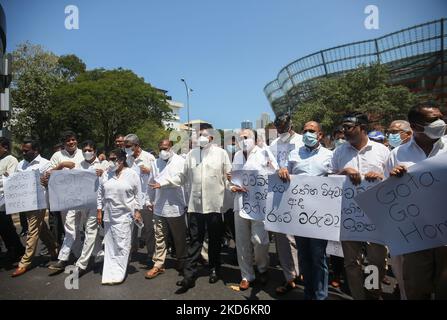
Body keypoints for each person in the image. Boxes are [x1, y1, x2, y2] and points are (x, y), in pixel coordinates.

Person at [151, 124, 231, 294]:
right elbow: (182, 177)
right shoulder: (191, 155)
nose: (199, 137)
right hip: (195, 206)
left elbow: (228, 177)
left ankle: (215, 268)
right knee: (195, 241)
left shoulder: (222, 154)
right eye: (198, 134)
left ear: (211, 137)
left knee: (215, 241)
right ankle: (190, 275)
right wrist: (163, 183)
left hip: (215, 206)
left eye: (203, 134)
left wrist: (234, 187)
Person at [386, 103, 447, 299]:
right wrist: (392, 179)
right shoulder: (397, 154)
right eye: (432, 120)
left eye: (440, 117)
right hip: (415, 235)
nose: (440, 122)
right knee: (416, 289)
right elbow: (385, 192)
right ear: (415, 126)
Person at [331, 112, 390, 300]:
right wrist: (343, 171)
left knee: (376, 262)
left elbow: (394, 182)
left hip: (376, 216)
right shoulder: (339, 152)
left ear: (362, 128)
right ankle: (358, 297)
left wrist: (380, 178)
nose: (344, 131)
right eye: (343, 127)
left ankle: (372, 293)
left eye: (348, 127)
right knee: (351, 262)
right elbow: (329, 181)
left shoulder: (382, 151)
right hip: (349, 216)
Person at [278, 121, 332, 299]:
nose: (308, 133)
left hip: (319, 215)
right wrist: (283, 170)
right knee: (303, 256)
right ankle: (308, 294)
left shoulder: (329, 155)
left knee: (318, 257)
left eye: (312, 131)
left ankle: (320, 295)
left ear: (320, 135)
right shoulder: (294, 154)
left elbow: (335, 181)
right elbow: (286, 177)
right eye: (305, 130)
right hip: (299, 215)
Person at [231, 129, 278, 290]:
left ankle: (262, 268)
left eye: (246, 137)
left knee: (260, 240)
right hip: (240, 203)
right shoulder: (237, 155)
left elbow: (275, 173)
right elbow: (233, 177)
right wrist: (232, 185)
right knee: (242, 241)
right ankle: (246, 275)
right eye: (240, 138)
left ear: (255, 139)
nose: (243, 140)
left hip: (259, 204)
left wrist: (273, 168)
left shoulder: (264, 152)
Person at [11, 138, 58, 277]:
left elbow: (52, 181)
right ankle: (54, 249)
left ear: (35, 150)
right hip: (25, 203)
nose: (23, 152)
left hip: (39, 202)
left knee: (32, 231)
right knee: (40, 227)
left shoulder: (45, 164)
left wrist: (46, 180)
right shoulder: (20, 165)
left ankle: (24, 262)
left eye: (26, 150)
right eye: (22, 150)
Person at [97, 149, 142, 285]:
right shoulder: (106, 174)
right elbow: (100, 194)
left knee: (122, 244)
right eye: (109, 159)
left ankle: (119, 274)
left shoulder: (132, 174)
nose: (110, 162)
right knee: (111, 246)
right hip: (109, 216)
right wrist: (99, 210)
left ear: (121, 160)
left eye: (113, 159)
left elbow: (138, 194)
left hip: (125, 216)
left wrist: (138, 211)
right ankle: (109, 273)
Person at [269, 114, 303, 292]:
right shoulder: (273, 145)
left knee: (302, 237)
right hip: (279, 195)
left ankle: (301, 270)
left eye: (283, 127)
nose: (280, 130)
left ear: (291, 125)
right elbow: (267, 164)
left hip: (301, 195)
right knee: (283, 238)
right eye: (278, 128)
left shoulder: (302, 141)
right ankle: (289, 276)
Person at [145, 139, 187, 279]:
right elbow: (151, 182)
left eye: (166, 148)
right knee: (160, 236)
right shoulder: (155, 163)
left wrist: (162, 184)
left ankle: (182, 261)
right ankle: (158, 264)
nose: (163, 151)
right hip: (159, 206)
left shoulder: (180, 161)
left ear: (171, 148)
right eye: (161, 148)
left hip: (175, 206)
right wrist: (148, 200)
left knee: (179, 237)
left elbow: (180, 180)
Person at [47, 131, 85, 271]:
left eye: (73, 139)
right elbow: (47, 175)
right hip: (64, 198)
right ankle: (77, 255)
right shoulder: (57, 156)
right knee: (70, 227)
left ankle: (65, 258)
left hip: (83, 196)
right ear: (64, 143)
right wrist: (61, 165)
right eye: (68, 141)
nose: (71, 142)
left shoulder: (84, 153)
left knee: (77, 227)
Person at [72, 140, 108, 276]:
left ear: (95, 151)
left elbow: (111, 181)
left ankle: (81, 264)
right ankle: (99, 256)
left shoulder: (103, 165)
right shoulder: (78, 165)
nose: (87, 152)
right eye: (85, 150)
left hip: (96, 204)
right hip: (82, 203)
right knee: (89, 229)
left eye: (90, 150)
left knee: (90, 231)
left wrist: (102, 174)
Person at [124, 134, 156, 264]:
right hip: (131, 199)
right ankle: (131, 250)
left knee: (148, 228)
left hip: (146, 198)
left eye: (128, 146)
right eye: (125, 146)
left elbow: (158, 176)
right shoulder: (127, 159)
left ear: (137, 146)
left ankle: (151, 254)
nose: (126, 149)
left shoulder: (149, 158)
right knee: (130, 227)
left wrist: (150, 171)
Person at [0, 137, 25, 264]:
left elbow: (10, 179)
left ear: (4, 147)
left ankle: (16, 249)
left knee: (6, 226)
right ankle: (14, 249)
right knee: (4, 227)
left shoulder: (10, 160)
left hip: (5, 199)